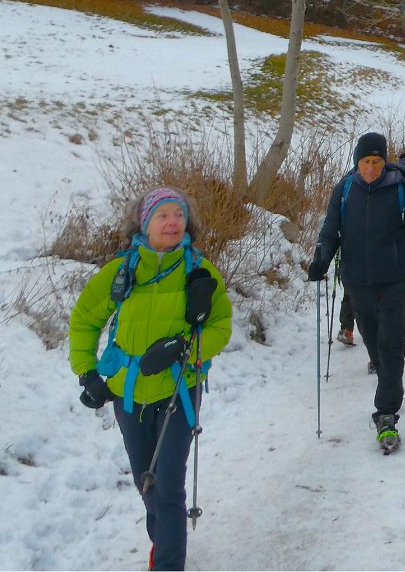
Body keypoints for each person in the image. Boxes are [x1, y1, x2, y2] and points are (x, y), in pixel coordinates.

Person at [69, 187, 232, 572]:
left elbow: (221, 325)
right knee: (148, 484)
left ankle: (168, 563)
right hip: (128, 396)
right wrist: (87, 372)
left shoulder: (199, 271)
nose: (173, 222)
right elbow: (85, 319)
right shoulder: (121, 271)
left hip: (179, 391)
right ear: (144, 223)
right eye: (163, 215)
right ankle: (164, 545)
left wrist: (186, 349)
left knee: (168, 485)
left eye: (179, 214)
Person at [308, 132, 405, 453]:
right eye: (366, 161)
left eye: (377, 161)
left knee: (392, 341)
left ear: (384, 161)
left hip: (392, 278)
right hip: (356, 280)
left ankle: (387, 411)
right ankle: (384, 373)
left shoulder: (400, 188)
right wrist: (321, 258)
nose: (371, 168)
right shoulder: (345, 190)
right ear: (357, 162)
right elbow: (330, 230)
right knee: (372, 336)